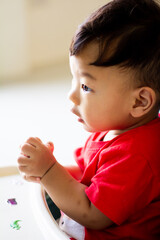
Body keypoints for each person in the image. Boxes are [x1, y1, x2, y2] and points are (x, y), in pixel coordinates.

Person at [17, 0, 160, 239]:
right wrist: (49, 171)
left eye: (85, 86)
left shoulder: (139, 157)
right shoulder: (113, 127)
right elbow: (87, 174)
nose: (71, 95)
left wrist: (51, 171)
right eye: (74, 79)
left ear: (139, 102)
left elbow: (93, 212)